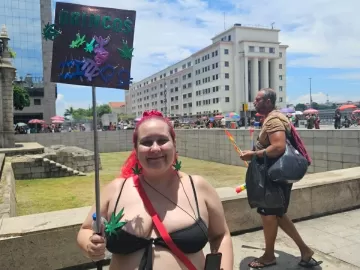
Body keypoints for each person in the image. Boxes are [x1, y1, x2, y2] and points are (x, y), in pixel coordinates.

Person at [77, 110, 233, 270]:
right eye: (146, 142)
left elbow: (221, 236)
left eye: (162, 140)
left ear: (174, 144)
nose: (155, 148)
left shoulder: (199, 187)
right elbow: (86, 229)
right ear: (136, 150)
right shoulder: (115, 189)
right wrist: (89, 244)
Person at [240, 88, 322, 269]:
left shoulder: (274, 120)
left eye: (258, 99)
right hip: (276, 175)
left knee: (269, 214)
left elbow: (278, 147)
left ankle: (268, 256)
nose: (255, 102)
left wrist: (254, 154)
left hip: (272, 177)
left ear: (268, 102)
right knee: (277, 213)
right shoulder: (274, 117)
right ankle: (305, 251)